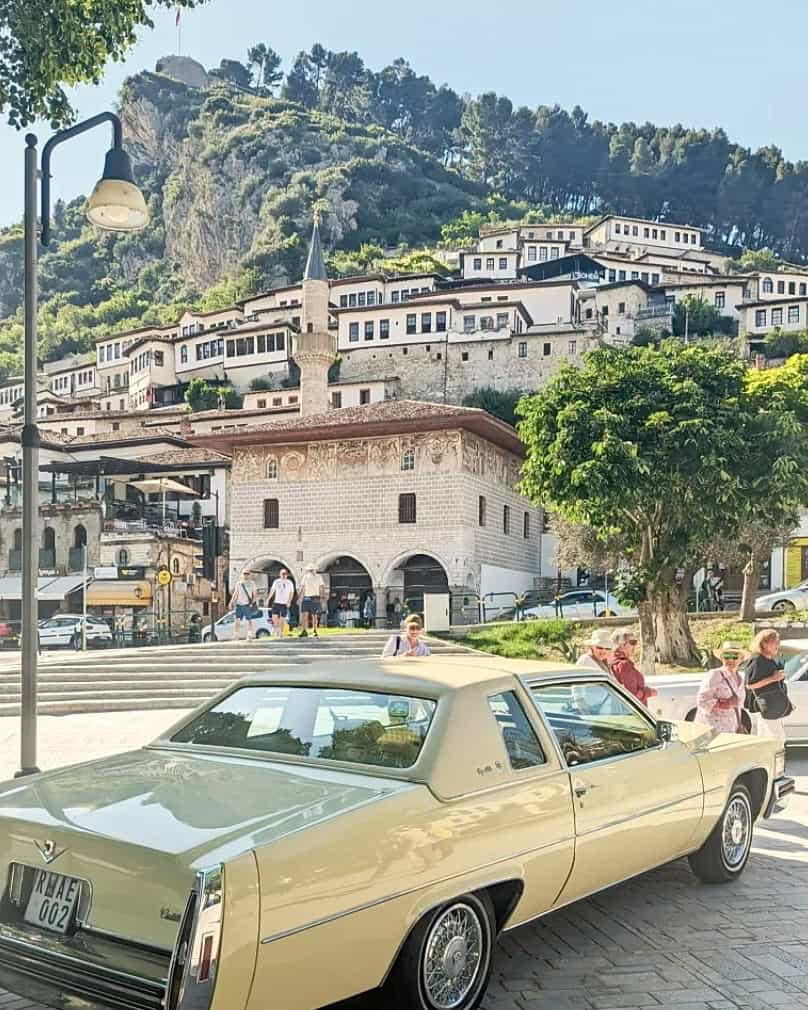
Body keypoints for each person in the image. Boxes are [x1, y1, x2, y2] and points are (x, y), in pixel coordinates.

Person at [745, 628, 793, 742]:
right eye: (774, 642)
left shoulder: (769, 660)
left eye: (778, 642)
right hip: (766, 706)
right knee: (777, 739)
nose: (778, 645)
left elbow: (775, 685)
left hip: (772, 706)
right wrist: (773, 678)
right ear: (764, 644)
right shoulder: (757, 660)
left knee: (767, 739)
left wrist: (788, 703)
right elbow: (750, 685)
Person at [695, 640, 749, 734]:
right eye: (726, 656)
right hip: (713, 730)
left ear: (741, 659)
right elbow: (702, 700)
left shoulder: (740, 678)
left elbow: (737, 706)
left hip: (732, 728)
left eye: (735, 656)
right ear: (721, 658)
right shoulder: (715, 674)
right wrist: (724, 704)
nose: (730, 660)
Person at [609, 628, 657, 706]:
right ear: (622, 645)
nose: (635, 645)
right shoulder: (624, 665)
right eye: (632, 642)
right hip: (632, 710)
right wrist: (649, 692)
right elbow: (632, 695)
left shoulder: (610, 661)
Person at [229, 569, 258, 640]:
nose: (246, 575)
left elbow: (255, 594)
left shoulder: (252, 583)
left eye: (247, 574)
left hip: (247, 604)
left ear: (249, 575)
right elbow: (235, 593)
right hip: (239, 604)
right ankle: (236, 635)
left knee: (249, 620)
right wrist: (231, 602)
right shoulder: (239, 583)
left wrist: (252, 603)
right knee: (237, 620)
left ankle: (249, 635)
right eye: (245, 574)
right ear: (242, 575)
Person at [298, 564, 325, 638]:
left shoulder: (319, 577)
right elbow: (302, 587)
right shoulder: (305, 577)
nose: (311, 571)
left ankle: (315, 631)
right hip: (306, 597)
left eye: (312, 569)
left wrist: (322, 596)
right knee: (304, 615)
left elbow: (321, 587)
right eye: (310, 570)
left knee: (314, 615)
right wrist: (299, 597)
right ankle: (304, 630)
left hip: (315, 597)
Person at [267, 567, 295, 638]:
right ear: (280, 574)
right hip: (277, 602)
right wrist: (268, 599)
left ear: (287, 575)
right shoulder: (276, 581)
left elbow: (291, 593)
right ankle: (277, 630)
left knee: (282, 619)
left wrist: (289, 602)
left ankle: (281, 632)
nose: (284, 575)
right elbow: (272, 590)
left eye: (285, 574)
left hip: (284, 603)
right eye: (283, 574)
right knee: (274, 618)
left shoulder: (289, 582)